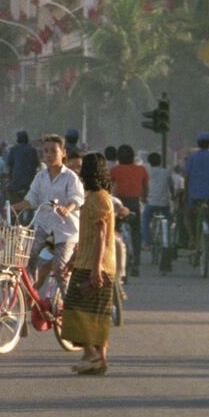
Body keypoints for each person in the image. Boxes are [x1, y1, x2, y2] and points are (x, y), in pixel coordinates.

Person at [61, 153, 118, 375]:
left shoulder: (97, 198)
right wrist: (73, 259)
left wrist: (95, 269)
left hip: (94, 265)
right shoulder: (98, 196)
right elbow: (86, 236)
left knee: (74, 308)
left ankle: (90, 354)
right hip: (90, 261)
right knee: (96, 315)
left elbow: (100, 235)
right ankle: (99, 359)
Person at [24, 134, 84, 293]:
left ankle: (68, 308)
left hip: (66, 231)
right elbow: (31, 199)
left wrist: (67, 209)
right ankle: (31, 293)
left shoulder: (71, 177)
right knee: (28, 256)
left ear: (63, 153)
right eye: (46, 151)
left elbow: (77, 198)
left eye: (53, 151)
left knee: (59, 270)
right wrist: (13, 207)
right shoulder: (40, 176)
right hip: (43, 227)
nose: (49, 155)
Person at [182, 133, 209, 259]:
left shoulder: (191, 158)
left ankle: (191, 237)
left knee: (188, 214)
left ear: (198, 144)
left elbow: (186, 177)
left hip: (193, 195)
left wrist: (186, 193)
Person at [110, 145, 147, 278]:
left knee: (114, 231)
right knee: (136, 232)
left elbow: (108, 185)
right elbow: (145, 187)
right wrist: (144, 199)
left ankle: (117, 261)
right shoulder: (141, 170)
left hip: (119, 204)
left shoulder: (114, 170)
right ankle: (136, 261)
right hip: (134, 203)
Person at [3, 130, 39, 211]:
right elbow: (36, 165)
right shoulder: (32, 150)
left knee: (10, 198)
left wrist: (10, 179)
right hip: (30, 183)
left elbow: (9, 166)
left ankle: (13, 214)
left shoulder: (13, 150)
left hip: (15, 183)